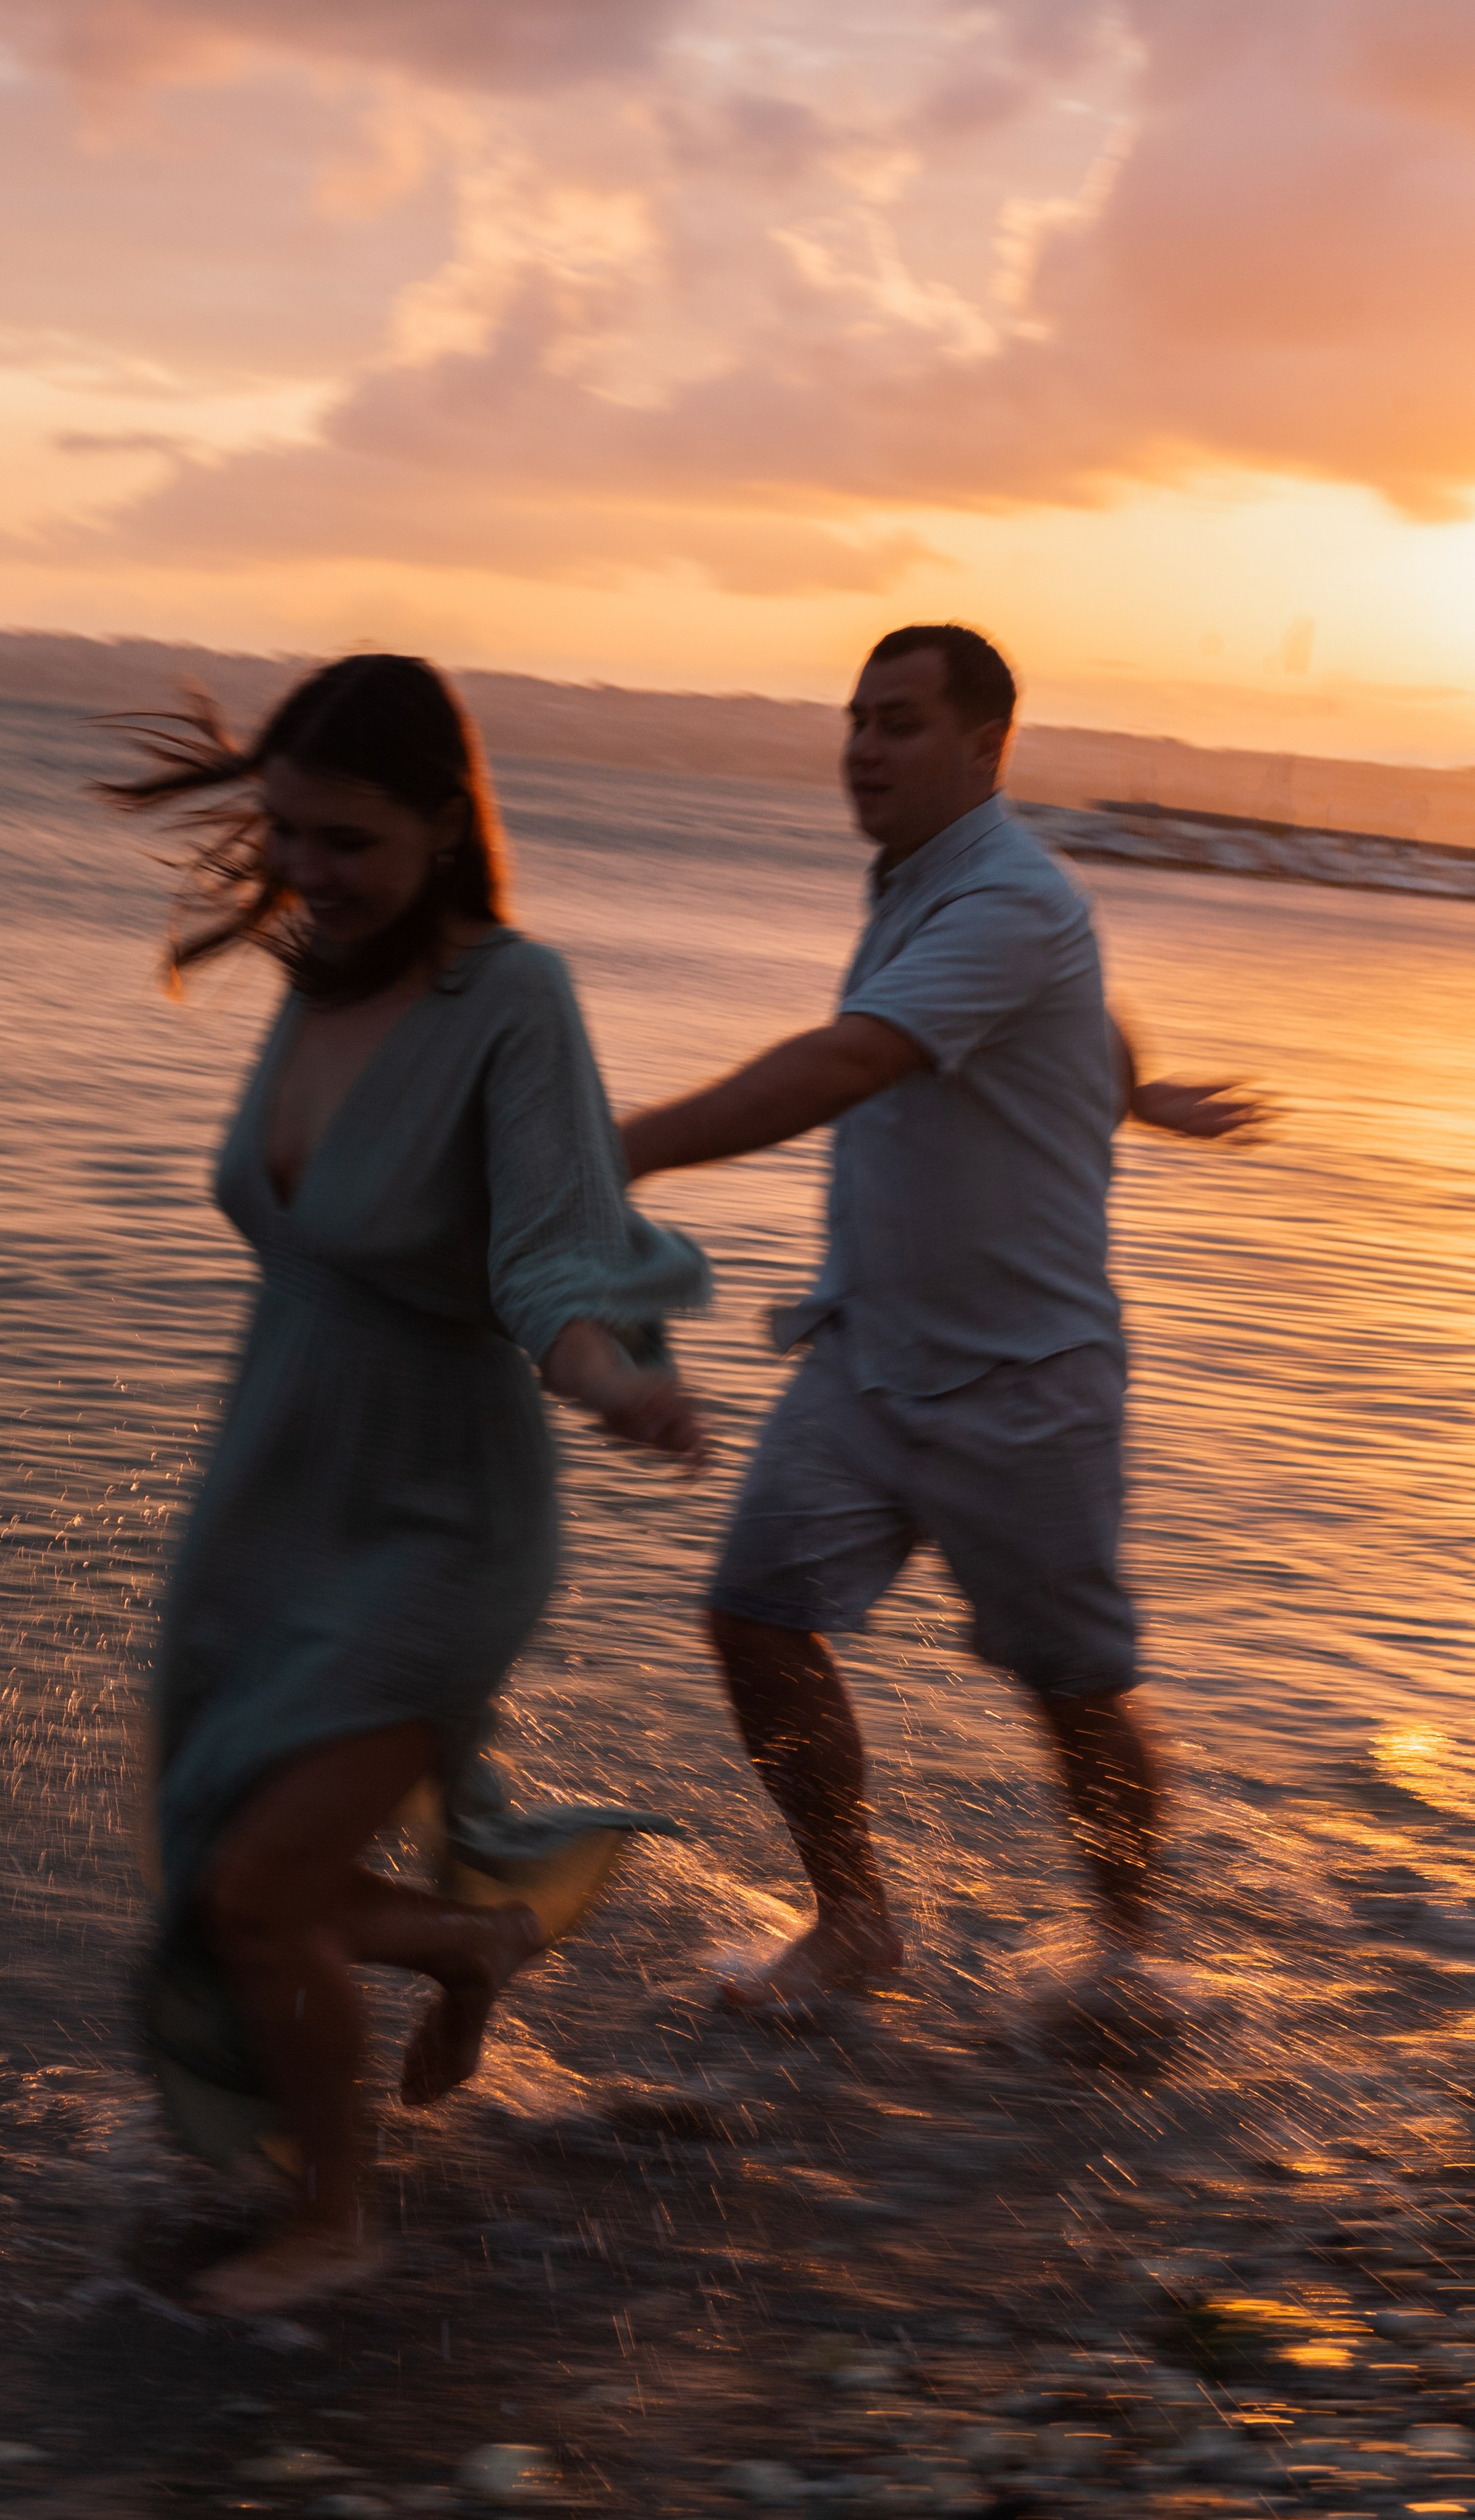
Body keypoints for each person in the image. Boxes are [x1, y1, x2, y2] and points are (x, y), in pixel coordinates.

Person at [99, 654, 710, 2316]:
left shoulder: (511, 998)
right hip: (271, 1494)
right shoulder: (315, 976)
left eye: (348, 840)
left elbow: (543, 1260)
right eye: (287, 834)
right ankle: (462, 1941)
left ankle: (336, 2220)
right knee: (222, 1860)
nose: (307, 871)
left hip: (444, 1522)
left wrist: (609, 1382)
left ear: (446, 826)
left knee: (256, 1892)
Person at [619, 624, 1258, 2020]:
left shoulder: (1014, 897)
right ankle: (853, 1924)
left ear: (987, 747)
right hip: (869, 1358)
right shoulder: (933, 883)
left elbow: (860, 1055)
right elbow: (1088, 1008)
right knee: (753, 1617)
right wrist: (1138, 1095)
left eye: (900, 722)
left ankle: (1132, 1953)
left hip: (1028, 1383)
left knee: (1075, 1688)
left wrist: (628, 1146)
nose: (864, 747)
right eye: (856, 718)